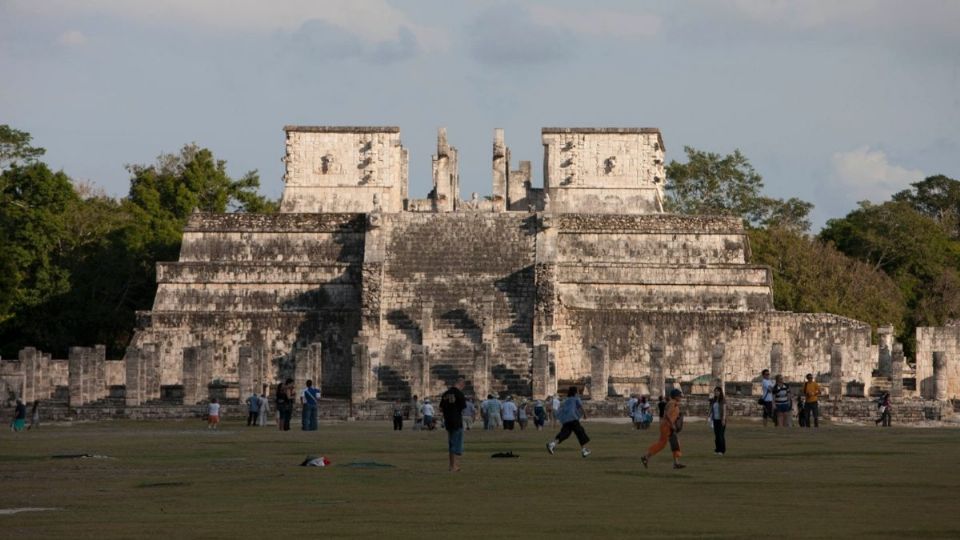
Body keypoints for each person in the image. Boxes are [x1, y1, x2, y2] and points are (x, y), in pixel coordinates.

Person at [641, 388, 685, 470]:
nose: (680, 397)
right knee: (662, 444)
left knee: (675, 443)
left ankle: (676, 463)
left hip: (667, 426)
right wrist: (672, 425)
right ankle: (646, 456)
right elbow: (667, 415)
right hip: (667, 426)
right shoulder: (672, 403)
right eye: (679, 396)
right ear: (675, 396)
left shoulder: (673, 403)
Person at [546, 386, 591, 458]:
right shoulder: (576, 398)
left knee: (565, 433)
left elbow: (562, 409)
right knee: (580, 432)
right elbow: (581, 407)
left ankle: (552, 444)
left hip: (566, 420)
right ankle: (584, 450)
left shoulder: (566, 400)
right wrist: (585, 415)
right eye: (577, 391)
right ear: (575, 392)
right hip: (573, 418)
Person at [440, 377, 467, 472]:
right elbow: (463, 408)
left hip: (448, 421)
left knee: (451, 443)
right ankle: (454, 466)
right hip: (457, 421)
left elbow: (441, 408)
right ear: (461, 384)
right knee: (456, 444)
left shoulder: (445, 394)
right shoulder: (459, 394)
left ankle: (451, 466)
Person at [709, 386, 727, 455]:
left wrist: (723, 419)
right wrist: (709, 416)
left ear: (720, 392)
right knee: (716, 436)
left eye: (717, 391)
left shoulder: (723, 400)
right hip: (715, 419)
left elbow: (724, 410)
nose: (716, 392)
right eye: (715, 391)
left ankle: (722, 450)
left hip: (721, 419)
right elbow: (711, 408)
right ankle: (717, 449)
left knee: (720, 435)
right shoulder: (714, 400)